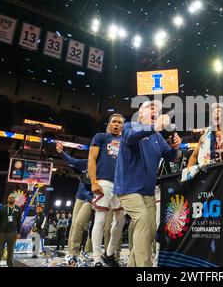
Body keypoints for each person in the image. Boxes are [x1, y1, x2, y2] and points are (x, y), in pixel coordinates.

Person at [114, 100, 181, 267]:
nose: (155, 111)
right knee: (143, 220)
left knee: (149, 231)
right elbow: (129, 138)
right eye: (151, 108)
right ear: (140, 113)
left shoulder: (157, 137)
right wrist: (154, 128)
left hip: (148, 192)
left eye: (157, 110)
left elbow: (172, 157)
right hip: (128, 189)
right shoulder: (130, 126)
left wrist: (175, 147)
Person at [89, 113, 125, 267]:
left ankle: (109, 253)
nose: (116, 124)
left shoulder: (126, 140)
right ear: (109, 124)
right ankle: (96, 257)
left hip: (122, 185)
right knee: (100, 220)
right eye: (114, 121)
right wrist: (93, 182)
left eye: (120, 122)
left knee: (120, 221)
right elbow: (91, 158)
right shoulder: (101, 137)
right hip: (104, 181)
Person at [55, 142, 94, 257]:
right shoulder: (87, 162)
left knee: (86, 225)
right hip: (81, 197)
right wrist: (61, 152)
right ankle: (72, 251)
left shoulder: (104, 166)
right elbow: (72, 161)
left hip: (92, 199)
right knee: (75, 225)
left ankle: (87, 250)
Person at [187, 102, 223, 167]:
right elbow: (194, 156)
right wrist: (188, 173)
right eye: (213, 112)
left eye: (218, 111)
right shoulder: (206, 133)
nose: (215, 113)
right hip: (209, 173)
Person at [0, 194, 22, 267]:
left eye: (12, 197)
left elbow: (19, 221)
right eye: (9, 197)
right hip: (2, 233)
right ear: (7, 199)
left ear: (15, 199)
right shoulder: (3, 208)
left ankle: (10, 265)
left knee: (11, 252)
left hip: (12, 233)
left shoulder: (18, 209)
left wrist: (19, 233)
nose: (11, 198)